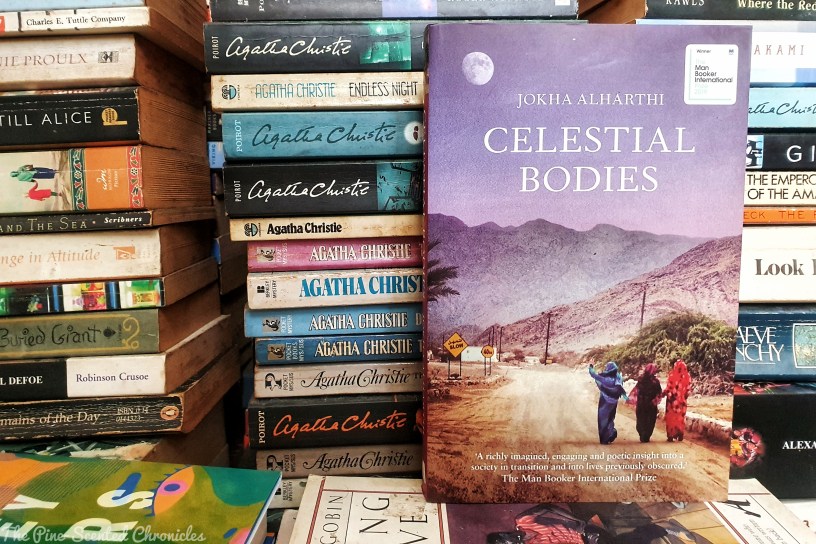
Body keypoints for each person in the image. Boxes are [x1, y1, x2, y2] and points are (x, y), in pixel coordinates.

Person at [588, 361, 628, 445]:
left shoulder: (605, 379)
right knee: (610, 418)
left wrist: (591, 367)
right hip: (614, 402)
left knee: (603, 419)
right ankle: (610, 433)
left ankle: (604, 438)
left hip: (604, 401)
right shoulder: (618, 377)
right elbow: (620, 387)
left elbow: (594, 375)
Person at [634, 363, 662, 443]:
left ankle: (642, 434)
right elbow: (659, 392)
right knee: (650, 419)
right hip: (651, 404)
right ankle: (646, 435)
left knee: (641, 418)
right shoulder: (655, 381)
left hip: (641, 403)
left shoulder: (641, 379)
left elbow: (637, 390)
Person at [664, 359, 691, 442]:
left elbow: (669, 388)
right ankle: (680, 434)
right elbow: (688, 390)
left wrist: (666, 394)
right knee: (680, 418)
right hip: (681, 402)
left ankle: (671, 435)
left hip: (672, 401)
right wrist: (683, 397)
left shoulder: (672, 375)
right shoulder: (687, 376)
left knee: (671, 417)